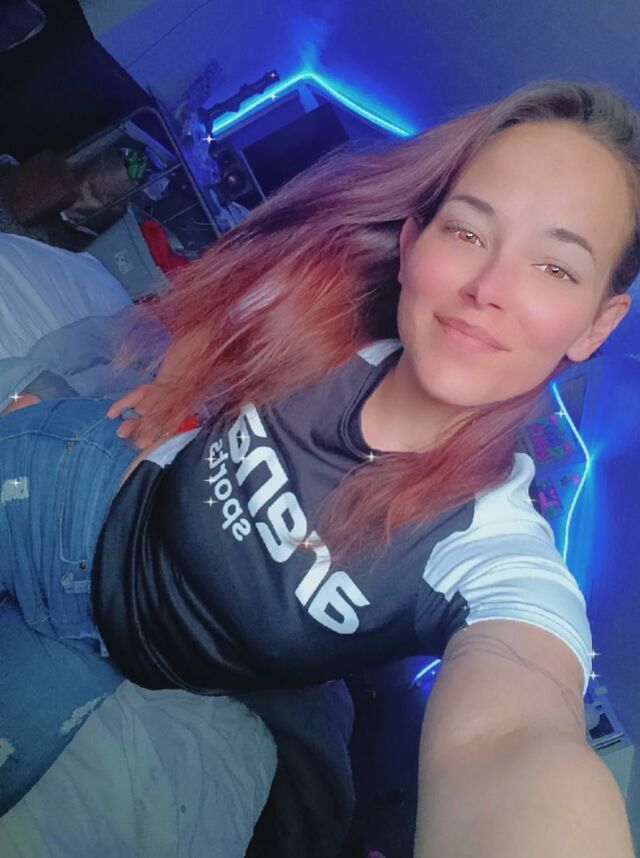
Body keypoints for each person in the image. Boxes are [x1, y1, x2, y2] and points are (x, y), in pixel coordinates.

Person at [1, 79, 637, 855]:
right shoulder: (331, 318)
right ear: (414, 242)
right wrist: (171, 385)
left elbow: (512, 738)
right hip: (74, 496)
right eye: (468, 231)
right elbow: (228, 308)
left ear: (597, 323)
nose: (488, 288)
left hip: (122, 656)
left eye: (556, 268)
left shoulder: (491, 555)